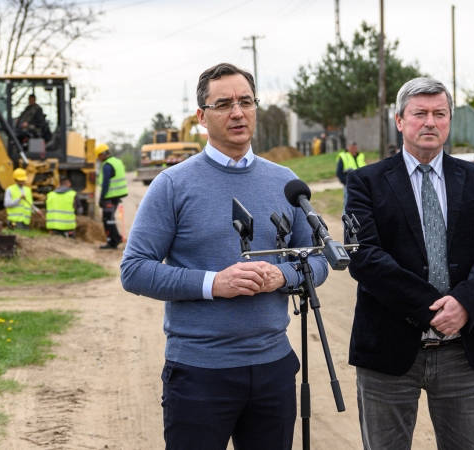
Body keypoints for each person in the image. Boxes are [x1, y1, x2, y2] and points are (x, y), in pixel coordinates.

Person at [121, 62, 328, 450]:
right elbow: (134, 270)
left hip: (274, 368)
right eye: (224, 104)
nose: (237, 112)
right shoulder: (172, 185)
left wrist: (286, 276)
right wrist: (213, 283)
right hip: (199, 372)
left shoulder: (286, 181)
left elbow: (318, 258)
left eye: (246, 101)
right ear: (202, 116)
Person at [344, 77, 474, 449]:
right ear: (400, 121)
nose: (430, 122)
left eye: (440, 113)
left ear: (450, 120)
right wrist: (431, 308)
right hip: (388, 351)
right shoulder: (365, 182)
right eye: (420, 113)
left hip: (462, 351)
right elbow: (364, 257)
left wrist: (465, 303)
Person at [95, 143, 127, 249]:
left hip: (110, 196)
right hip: (117, 195)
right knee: (110, 218)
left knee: (107, 219)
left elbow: (105, 183)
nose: (98, 159)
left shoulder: (107, 165)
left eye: (98, 156)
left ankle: (112, 241)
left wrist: (102, 198)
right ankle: (116, 238)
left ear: (102, 154)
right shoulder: (117, 161)